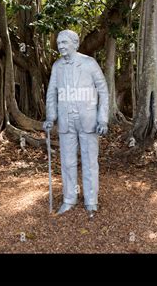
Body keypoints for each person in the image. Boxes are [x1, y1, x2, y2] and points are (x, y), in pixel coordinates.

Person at [43, 29, 109, 217]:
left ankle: (91, 201)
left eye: (64, 43)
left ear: (75, 43)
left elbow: (103, 91)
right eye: (58, 43)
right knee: (68, 162)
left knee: (89, 162)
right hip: (66, 120)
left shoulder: (89, 63)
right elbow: (51, 93)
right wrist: (50, 117)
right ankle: (69, 198)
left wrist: (102, 119)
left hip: (88, 120)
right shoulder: (57, 66)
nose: (60, 46)